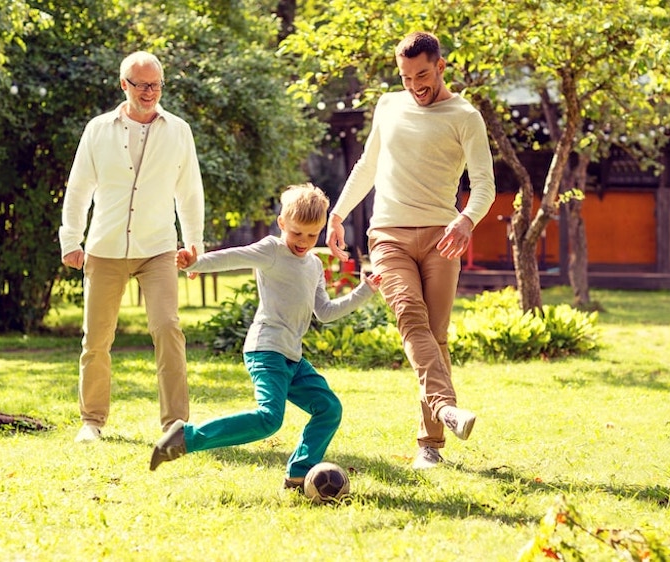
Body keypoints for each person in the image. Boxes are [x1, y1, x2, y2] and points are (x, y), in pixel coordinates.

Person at [326, 31, 496, 469]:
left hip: (442, 237)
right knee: (411, 319)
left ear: (441, 66)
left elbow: (485, 186)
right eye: (405, 77)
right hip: (388, 235)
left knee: (435, 338)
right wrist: (339, 213)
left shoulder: (465, 117)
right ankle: (445, 410)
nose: (415, 85)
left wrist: (465, 219)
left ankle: (430, 445)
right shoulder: (389, 105)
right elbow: (368, 165)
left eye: (422, 75)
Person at [149, 183, 381, 490]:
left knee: (329, 408)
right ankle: (185, 438)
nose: (304, 242)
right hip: (266, 350)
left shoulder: (314, 265)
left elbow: (324, 312)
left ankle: (299, 472)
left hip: (292, 358)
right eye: (297, 233)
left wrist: (365, 290)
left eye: (312, 235)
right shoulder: (272, 250)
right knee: (269, 418)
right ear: (282, 223)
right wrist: (195, 263)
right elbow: (234, 257)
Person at [59, 51, 205, 442]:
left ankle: (175, 424)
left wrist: (194, 244)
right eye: (141, 85)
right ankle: (92, 422)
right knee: (96, 339)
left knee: (168, 328)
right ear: (124, 84)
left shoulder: (179, 130)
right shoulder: (98, 129)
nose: (149, 92)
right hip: (104, 248)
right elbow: (78, 190)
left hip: (157, 247)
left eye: (156, 84)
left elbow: (189, 192)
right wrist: (71, 240)